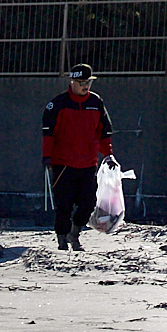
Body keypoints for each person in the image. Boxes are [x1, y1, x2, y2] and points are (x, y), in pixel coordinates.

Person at [39, 63, 118, 251]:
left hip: (88, 163)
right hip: (63, 164)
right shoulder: (58, 104)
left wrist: (108, 155)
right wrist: (47, 157)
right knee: (63, 204)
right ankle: (61, 239)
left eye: (88, 82)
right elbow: (48, 133)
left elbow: (104, 132)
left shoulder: (96, 103)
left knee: (88, 202)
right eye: (82, 82)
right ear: (72, 81)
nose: (86, 86)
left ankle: (74, 233)